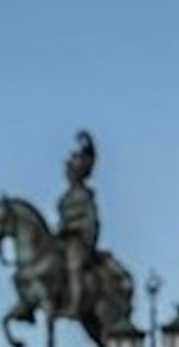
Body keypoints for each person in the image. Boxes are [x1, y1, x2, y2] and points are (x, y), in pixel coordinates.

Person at [57, 130, 100, 318]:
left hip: (78, 242)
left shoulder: (85, 196)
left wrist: (83, 236)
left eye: (71, 169)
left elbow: (91, 222)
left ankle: (75, 304)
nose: (68, 173)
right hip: (63, 240)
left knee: (74, 265)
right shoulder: (64, 197)